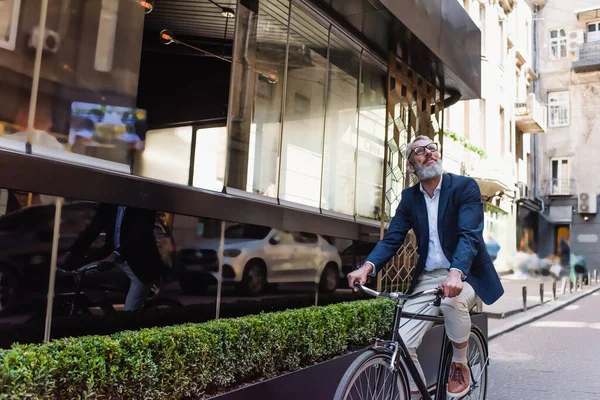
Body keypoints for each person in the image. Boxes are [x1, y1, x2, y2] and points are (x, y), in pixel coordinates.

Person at [347, 135, 504, 399]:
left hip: (465, 274)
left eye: (432, 147)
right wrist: (367, 267)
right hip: (429, 278)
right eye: (419, 151)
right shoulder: (410, 198)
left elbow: (469, 235)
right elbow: (393, 237)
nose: (429, 153)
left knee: (451, 303)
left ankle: (460, 364)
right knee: (403, 342)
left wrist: (456, 273)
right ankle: (415, 393)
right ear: (410, 166)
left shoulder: (465, 187)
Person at [59, 203, 164, 311]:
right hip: (117, 262)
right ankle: (109, 314)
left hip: (141, 265)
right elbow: (93, 229)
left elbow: (139, 236)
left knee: (131, 310)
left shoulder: (143, 207)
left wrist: (115, 255)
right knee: (81, 276)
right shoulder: (110, 205)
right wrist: (71, 253)